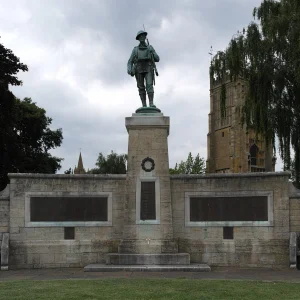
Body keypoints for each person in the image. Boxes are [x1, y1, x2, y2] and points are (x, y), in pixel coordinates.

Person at [127, 30, 160, 107]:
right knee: (141, 87)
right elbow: (130, 61)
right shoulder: (135, 50)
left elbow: (157, 59)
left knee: (149, 85)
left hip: (148, 67)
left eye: (143, 36)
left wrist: (153, 52)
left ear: (145, 37)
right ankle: (144, 104)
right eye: (140, 36)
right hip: (138, 68)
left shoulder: (150, 48)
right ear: (138, 38)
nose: (142, 37)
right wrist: (129, 69)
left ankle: (151, 103)